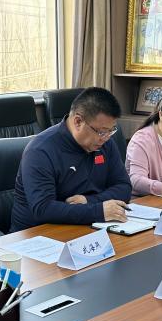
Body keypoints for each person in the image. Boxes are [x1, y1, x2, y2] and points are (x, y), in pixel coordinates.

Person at [11, 86, 131, 231]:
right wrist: (98, 211)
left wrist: (89, 201)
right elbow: (43, 209)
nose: (106, 138)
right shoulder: (40, 151)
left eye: (111, 131)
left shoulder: (105, 144)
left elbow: (124, 187)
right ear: (78, 121)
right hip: (37, 235)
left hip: (87, 227)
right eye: (101, 132)